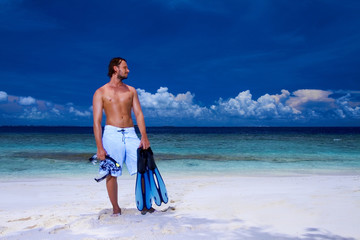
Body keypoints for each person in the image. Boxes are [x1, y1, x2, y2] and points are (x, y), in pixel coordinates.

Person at [92, 57, 150, 216]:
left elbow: (138, 114)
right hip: (111, 133)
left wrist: (143, 136)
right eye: (125, 67)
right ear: (115, 69)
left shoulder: (131, 90)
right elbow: (97, 122)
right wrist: (99, 147)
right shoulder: (101, 92)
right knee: (111, 173)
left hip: (131, 133)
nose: (128, 70)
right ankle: (116, 209)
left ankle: (145, 205)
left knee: (142, 169)